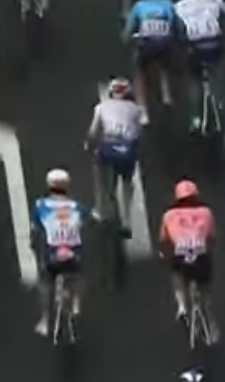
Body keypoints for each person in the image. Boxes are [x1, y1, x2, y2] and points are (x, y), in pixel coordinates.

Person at [31, 169, 87, 337]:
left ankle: (45, 320)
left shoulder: (41, 206)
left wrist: (34, 245)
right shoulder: (78, 206)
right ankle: (76, 303)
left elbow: (36, 230)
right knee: (78, 275)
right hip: (73, 257)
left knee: (44, 281)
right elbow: (81, 225)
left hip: (52, 258)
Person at [158, 179, 217, 339]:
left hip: (180, 253)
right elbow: (212, 238)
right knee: (205, 286)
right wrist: (209, 252)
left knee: (176, 273)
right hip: (200, 253)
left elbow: (163, 240)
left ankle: (182, 306)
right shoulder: (206, 212)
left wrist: (165, 254)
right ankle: (208, 315)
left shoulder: (169, 215)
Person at [84, 78, 145, 232]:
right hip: (128, 149)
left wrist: (89, 144)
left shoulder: (101, 107)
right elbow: (139, 132)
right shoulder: (136, 109)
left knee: (99, 169)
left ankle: (102, 210)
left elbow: (93, 131)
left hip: (109, 147)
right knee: (127, 182)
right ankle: (126, 221)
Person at [174, 0, 225, 115]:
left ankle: (196, 116)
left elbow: (174, 25)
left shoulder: (178, 5)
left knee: (194, 79)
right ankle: (220, 103)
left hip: (193, 45)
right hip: (214, 42)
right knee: (216, 73)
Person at [125, 0, 180, 107]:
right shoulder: (167, 3)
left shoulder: (138, 6)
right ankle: (167, 95)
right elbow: (176, 24)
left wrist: (126, 39)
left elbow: (130, 28)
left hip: (147, 43)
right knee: (164, 65)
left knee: (139, 70)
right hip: (165, 42)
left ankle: (142, 105)